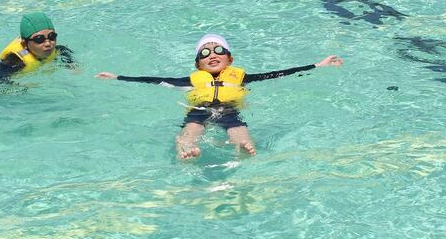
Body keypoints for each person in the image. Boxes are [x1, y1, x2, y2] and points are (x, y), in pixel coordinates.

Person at [96, 34, 343, 159]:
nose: (212, 54)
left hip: (229, 110)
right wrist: (118, 77)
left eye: (218, 50)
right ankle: (186, 151)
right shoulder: (190, 81)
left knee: (239, 131)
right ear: (198, 64)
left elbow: (278, 74)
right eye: (205, 53)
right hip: (199, 110)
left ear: (229, 58)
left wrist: (317, 65)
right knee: (190, 132)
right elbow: (153, 80)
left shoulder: (241, 77)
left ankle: (242, 147)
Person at [0, 12, 76, 80]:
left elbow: (63, 50)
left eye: (52, 37)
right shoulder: (16, 62)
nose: (48, 43)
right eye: (39, 39)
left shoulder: (55, 49)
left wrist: (72, 65)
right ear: (24, 44)